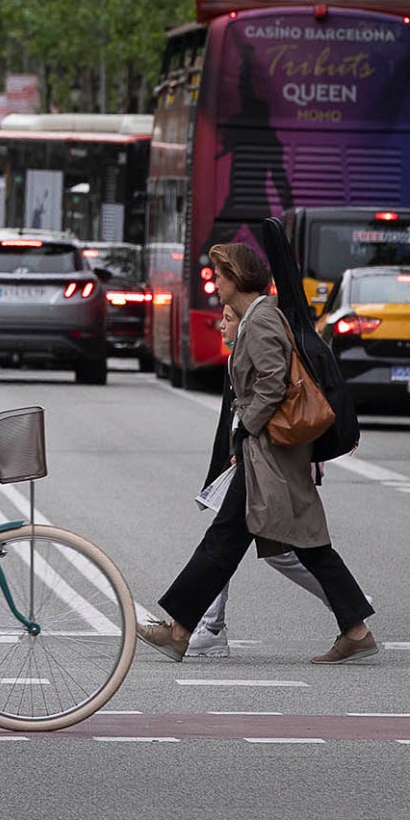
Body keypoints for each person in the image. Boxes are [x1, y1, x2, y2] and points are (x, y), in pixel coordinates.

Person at [138, 236, 378, 666]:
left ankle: (180, 630)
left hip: (268, 453)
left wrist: (245, 431)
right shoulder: (256, 315)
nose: (214, 283)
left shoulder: (262, 319)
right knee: (300, 542)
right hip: (267, 453)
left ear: (238, 277)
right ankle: (355, 629)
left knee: (228, 540)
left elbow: (271, 382)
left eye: (220, 275)